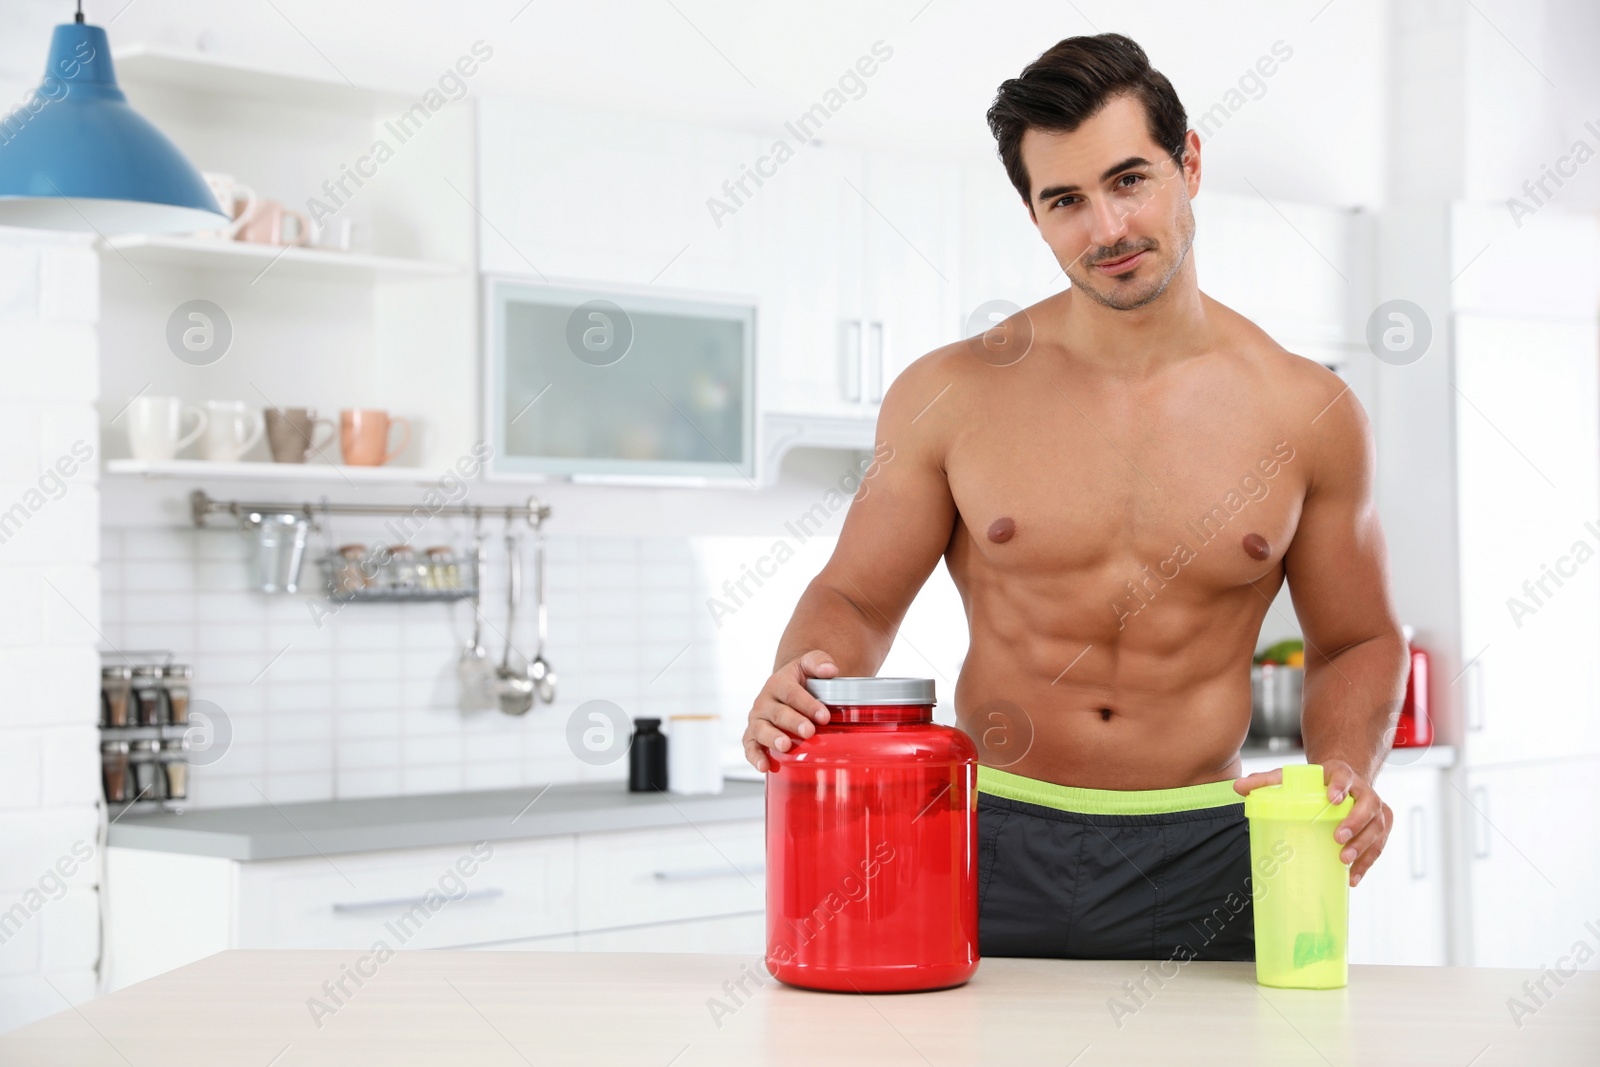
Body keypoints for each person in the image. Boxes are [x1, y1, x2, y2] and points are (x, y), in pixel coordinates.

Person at [741, 32, 1408, 962]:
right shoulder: (952, 394)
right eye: (1066, 200)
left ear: (1190, 165)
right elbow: (854, 597)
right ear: (1036, 216)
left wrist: (1341, 769)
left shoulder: (1308, 410)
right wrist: (806, 686)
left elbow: (1360, 639)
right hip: (986, 833)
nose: (1106, 230)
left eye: (1130, 179)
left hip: (1212, 845)